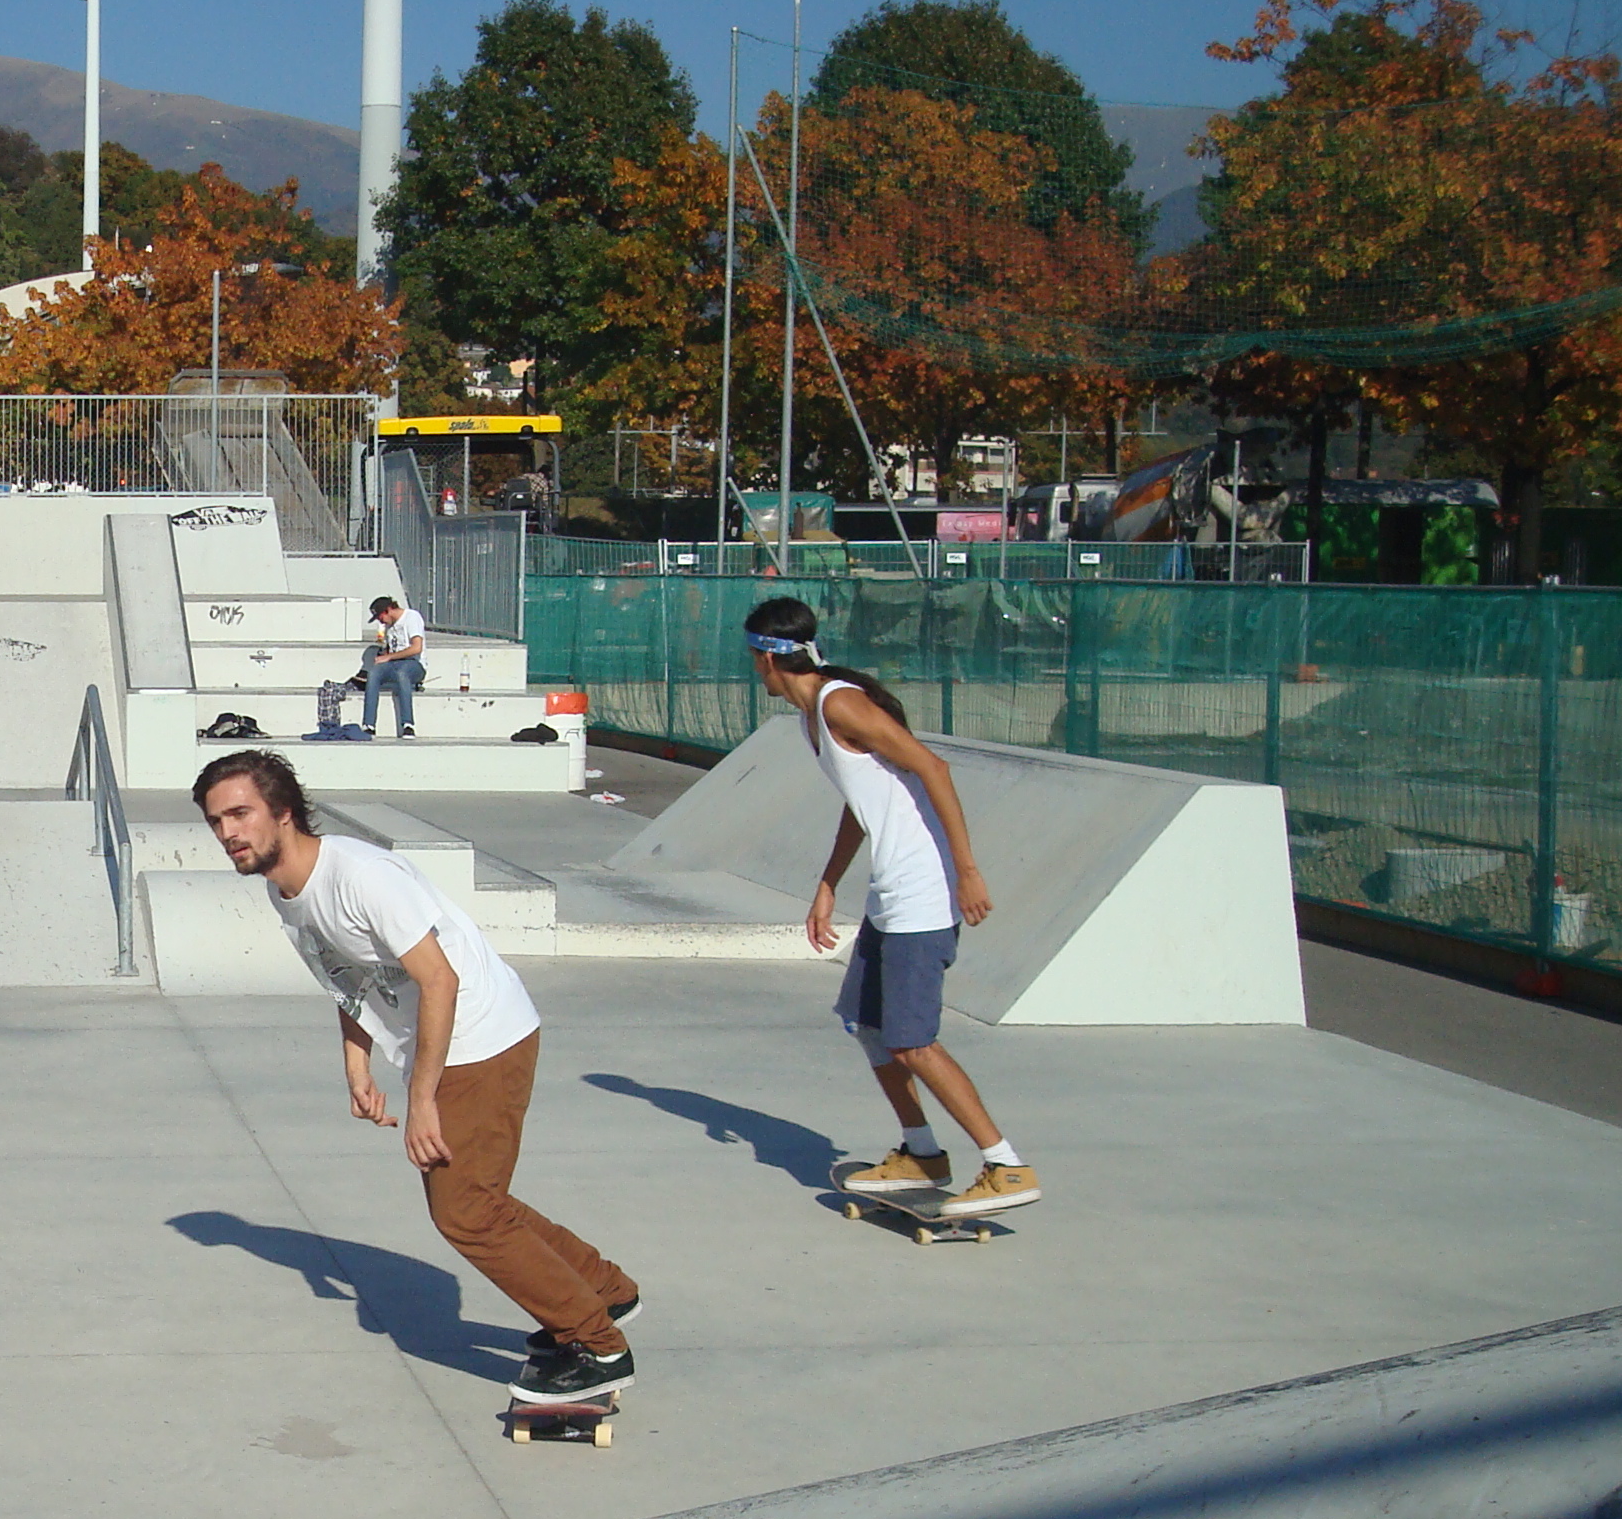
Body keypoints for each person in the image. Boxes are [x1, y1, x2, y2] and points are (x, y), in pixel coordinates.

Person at [193, 748, 641, 1404]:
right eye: (215, 822)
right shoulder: (285, 890)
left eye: (240, 814)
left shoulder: (363, 876)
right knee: (480, 1196)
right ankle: (604, 1291)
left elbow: (440, 978)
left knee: (465, 1211)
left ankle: (598, 1347)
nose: (229, 833)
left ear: (283, 812)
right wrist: (355, 1062)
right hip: (449, 1043)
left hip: (483, 1036)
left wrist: (421, 1097)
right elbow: (347, 976)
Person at [745, 595, 1040, 1217]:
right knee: (865, 1020)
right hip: (891, 894)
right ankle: (922, 1151)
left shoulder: (839, 703)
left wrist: (967, 870)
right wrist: (828, 884)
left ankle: (1006, 1164)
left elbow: (932, 766)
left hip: (924, 896)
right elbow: (864, 802)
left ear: (765, 660)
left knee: (912, 1041)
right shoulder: (814, 717)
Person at [362, 596, 427, 737]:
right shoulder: (389, 627)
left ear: (389, 610)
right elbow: (391, 650)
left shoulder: (411, 617)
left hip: (414, 664)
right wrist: (383, 656)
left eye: (381, 617)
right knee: (374, 673)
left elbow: (417, 648)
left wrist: (389, 657)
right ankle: (369, 724)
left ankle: (408, 724)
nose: (381, 622)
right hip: (395, 663)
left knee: (402, 673)